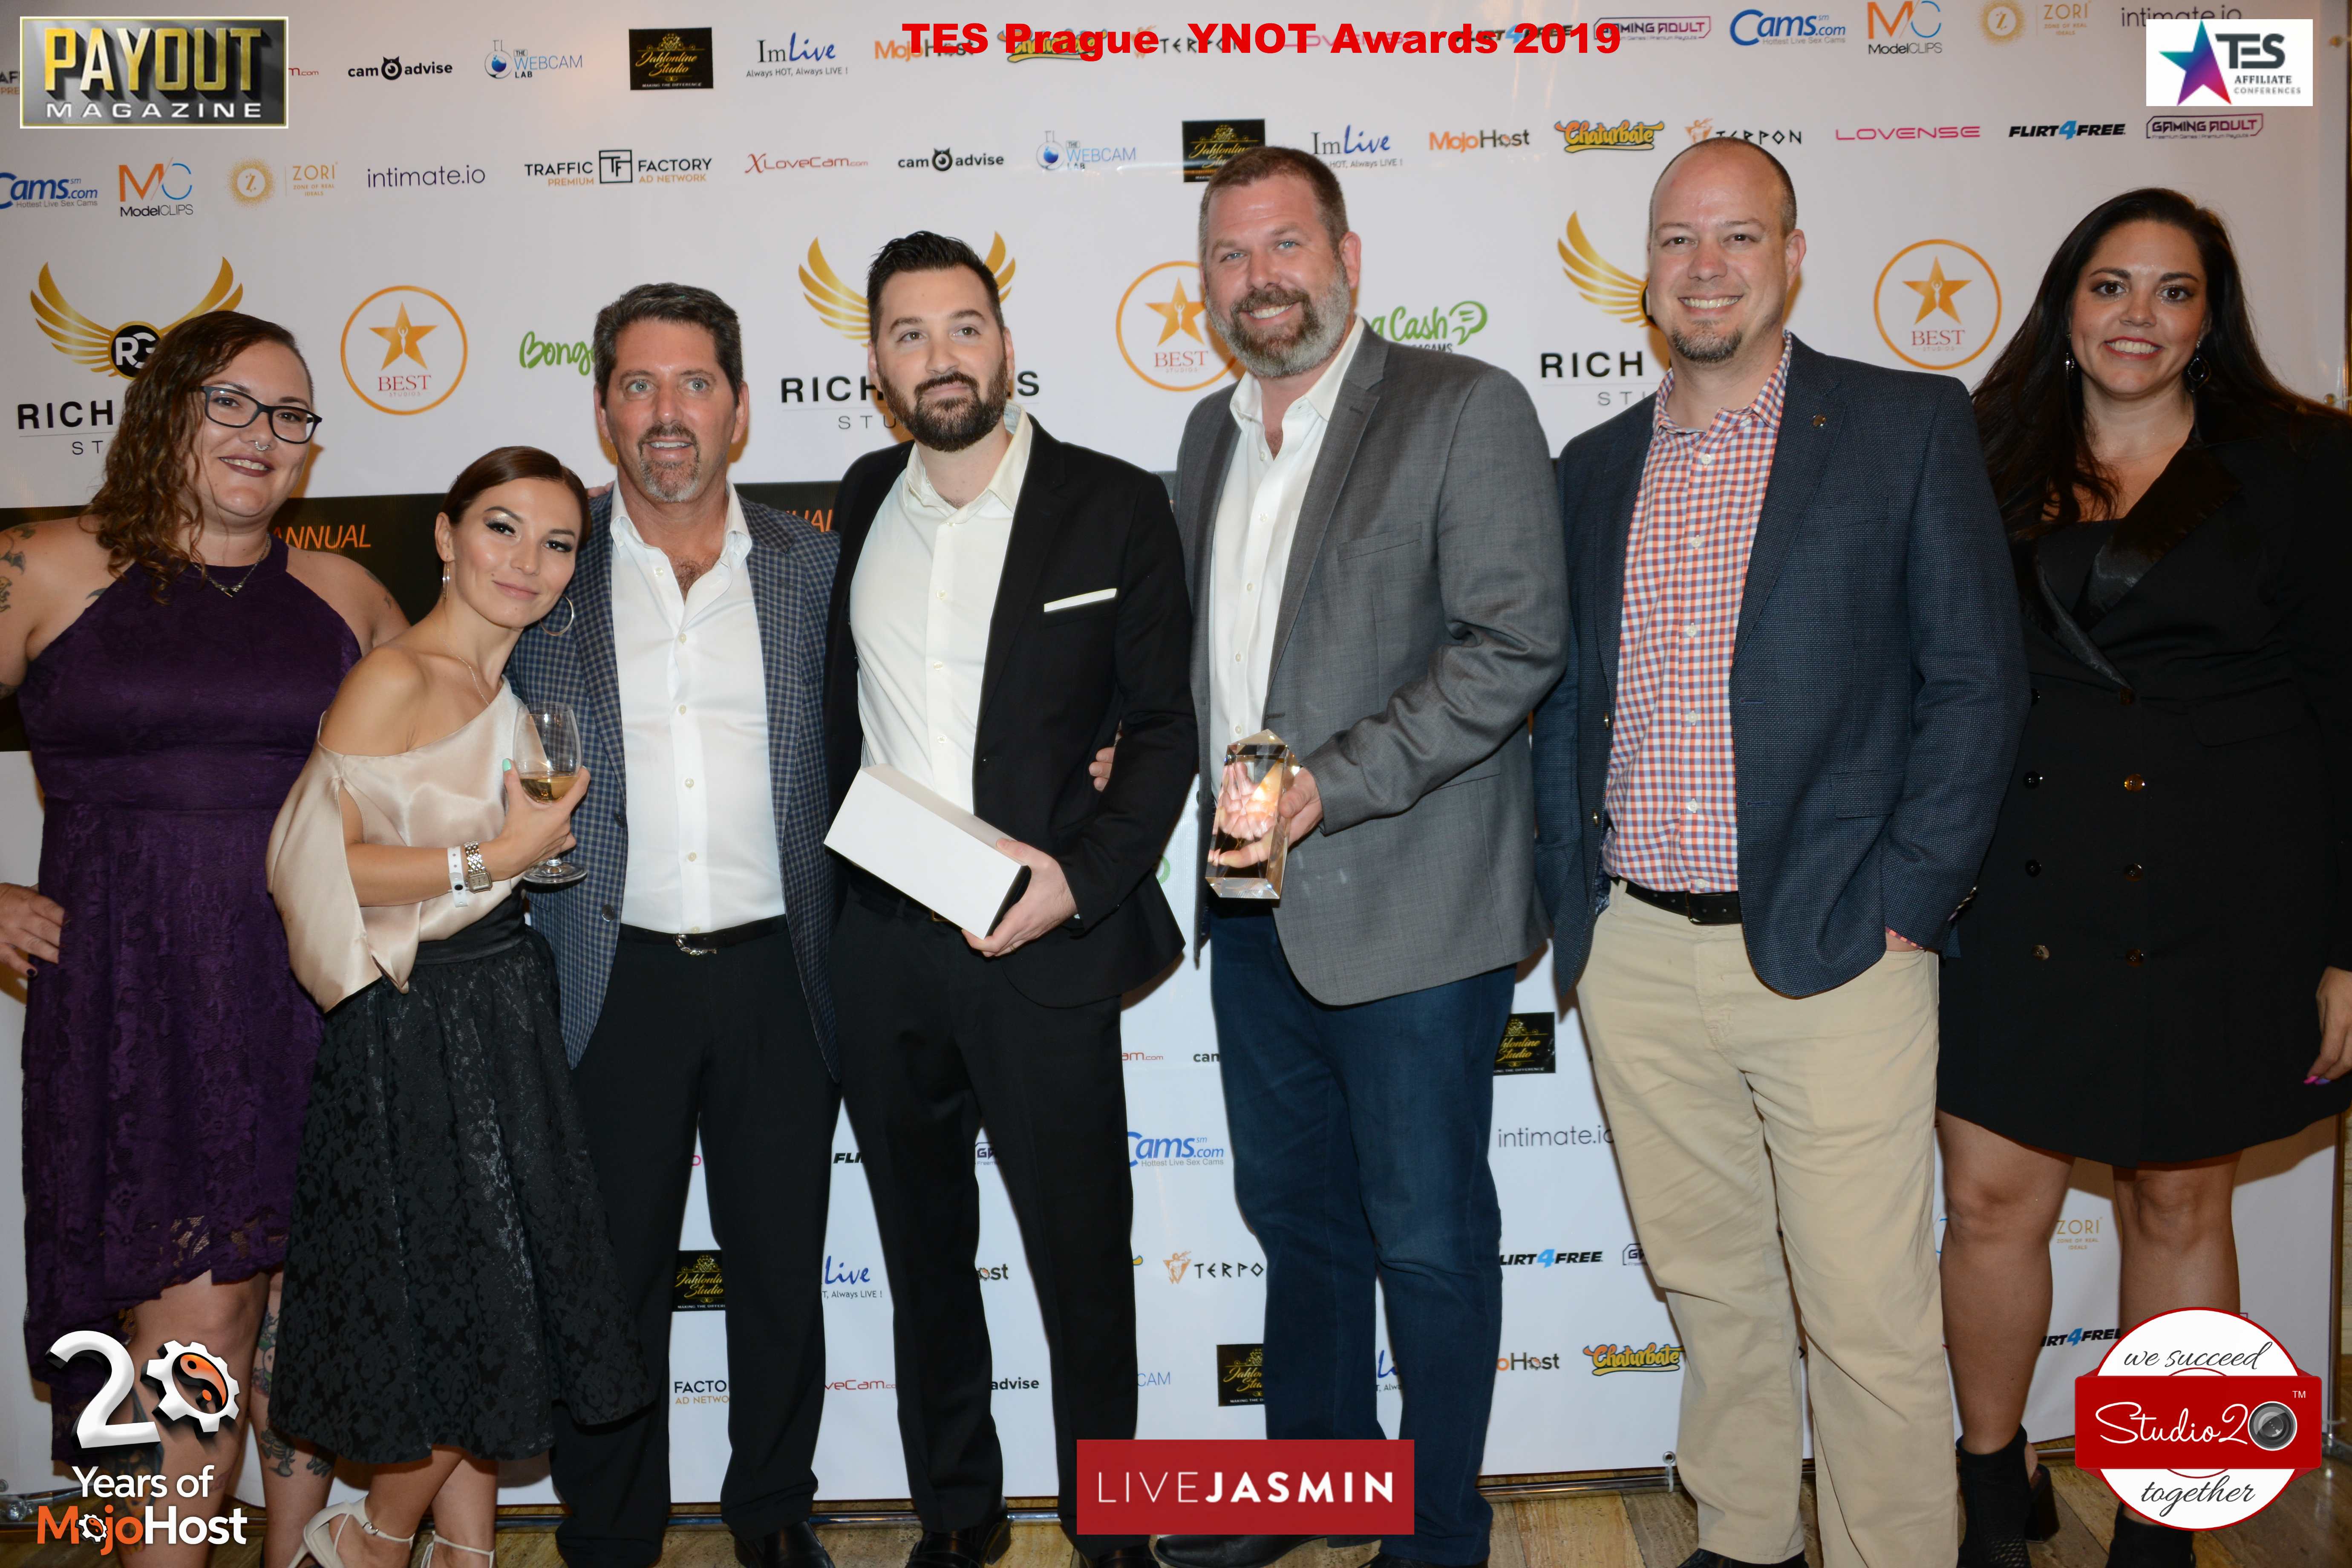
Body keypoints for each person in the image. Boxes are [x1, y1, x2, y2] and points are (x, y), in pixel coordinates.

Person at [1530, 138, 2026, 1568]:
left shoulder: (1902, 426)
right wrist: (1577, 906)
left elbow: (1977, 681)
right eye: (1678, 240)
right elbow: (1566, 701)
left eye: (1738, 238)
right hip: (1638, 948)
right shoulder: (1592, 467)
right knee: (1711, 1285)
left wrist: (1909, 900)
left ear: (1793, 258)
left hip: (1841, 945)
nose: (1706, 269)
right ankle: (1747, 1535)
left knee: (1867, 1311)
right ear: (1645, 271)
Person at [1152, 147, 1566, 1568]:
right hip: (1249, 909)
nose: (1259, 278)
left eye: (1286, 245)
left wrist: (1332, 786)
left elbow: (1515, 643)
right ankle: (1316, 1492)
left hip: (1413, 909)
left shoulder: (1462, 407)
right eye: (1230, 254)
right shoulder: (1207, 437)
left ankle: (1440, 1533)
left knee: (1427, 1239)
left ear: (1347, 258)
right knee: (1298, 1222)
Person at [1937, 188, 2352, 1568]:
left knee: (2181, 1201)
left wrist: (2349, 943)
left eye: (2175, 292)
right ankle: (1991, 1488)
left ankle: (2164, 1518)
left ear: (2210, 320)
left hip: (2222, 897)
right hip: (2019, 889)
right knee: (1992, 1204)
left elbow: (2348, 707)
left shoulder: (2301, 466)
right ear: (2067, 304)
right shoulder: (1980, 453)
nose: (2140, 316)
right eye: (2112, 285)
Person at [0, 310, 403, 1565]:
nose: (259, 435)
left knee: (297, 1338)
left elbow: (450, 768)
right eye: (229, 402)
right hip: (138, 1005)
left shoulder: (342, 595)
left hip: (311, 999)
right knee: (199, 1335)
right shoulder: (44, 565)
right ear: (163, 409)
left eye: (288, 415)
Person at [821, 232, 1194, 1568]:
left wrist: (1079, 883)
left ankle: (1112, 1529)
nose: (941, 357)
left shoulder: (1115, 503)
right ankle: (958, 1516)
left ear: (1007, 345)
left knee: (1083, 1262)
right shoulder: (862, 497)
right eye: (909, 334)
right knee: (923, 1257)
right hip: (884, 947)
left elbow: (1163, 729)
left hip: (1043, 944)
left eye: (963, 327)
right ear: (877, 368)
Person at [506, 284, 842, 1568]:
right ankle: (610, 1528)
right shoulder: (546, 568)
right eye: (638, 386)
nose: (666, 412)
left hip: (782, 972)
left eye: (694, 383)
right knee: (610, 1276)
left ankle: (774, 1514)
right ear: (602, 411)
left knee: (781, 1271)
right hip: (605, 974)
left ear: (740, 410)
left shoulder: (814, 568)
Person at [265, 445, 648, 1568]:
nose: (527, 561)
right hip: (413, 1022)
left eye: (557, 542)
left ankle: (465, 1553)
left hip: (500, 1007)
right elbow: (318, 866)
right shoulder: (396, 678)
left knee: (492, 1303)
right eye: (500, 528)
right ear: (445, 536)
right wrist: (495, 858)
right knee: (465, 1302)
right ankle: (373, 1536)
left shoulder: (505, 688)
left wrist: (517, 861)